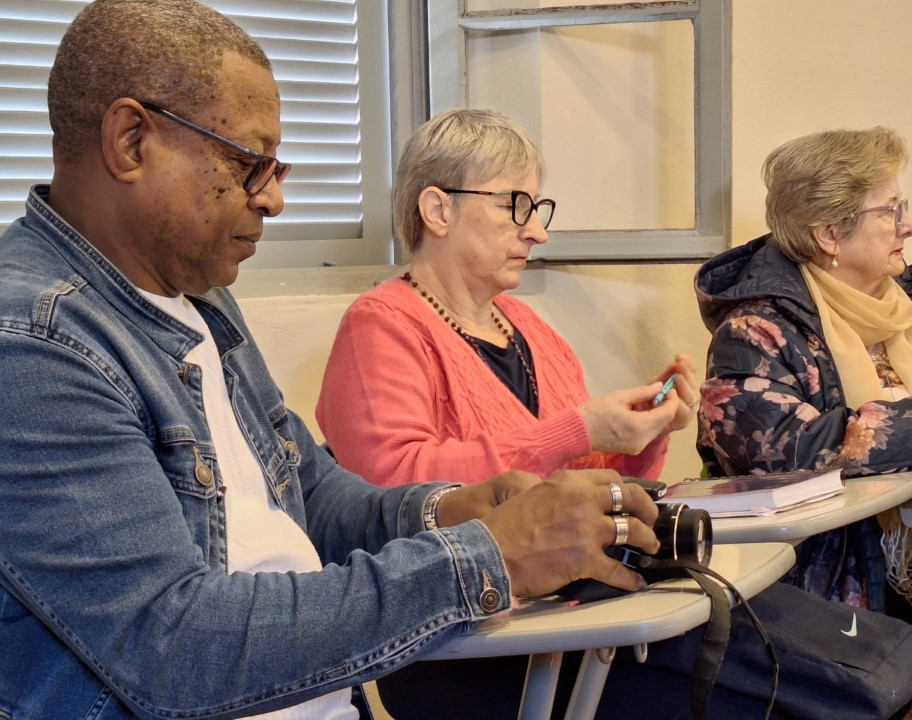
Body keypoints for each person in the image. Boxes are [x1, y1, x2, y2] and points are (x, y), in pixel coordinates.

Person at [0, 2, 684, 718]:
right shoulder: (35, 344)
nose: (274, 199)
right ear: (131, 141)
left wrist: (450, 510)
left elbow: (313, 497)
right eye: (248, 164)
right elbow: (172, 647)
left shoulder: (198, 299)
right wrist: (492, 556)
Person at [316, 107, 698, 488]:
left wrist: (643, 432)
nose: (537, 233)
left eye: (535, 208)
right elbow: (390, 481)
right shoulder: (380, 325)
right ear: (438, 211)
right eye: (513, 205)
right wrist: (576, 431)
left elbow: (579, 482)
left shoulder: (530, 327)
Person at [694, 127, 912, 660]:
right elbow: (788, 448)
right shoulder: (755, 330)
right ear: (830, 234)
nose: (908, 225)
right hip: (845, 590)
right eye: (890, 211)